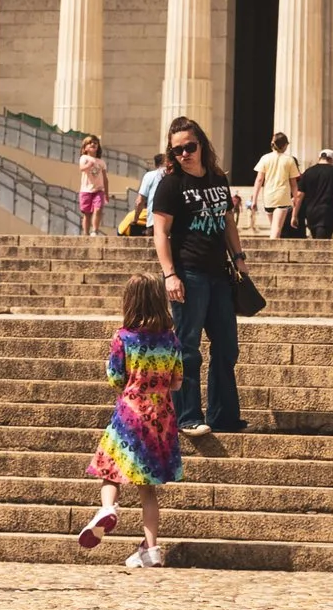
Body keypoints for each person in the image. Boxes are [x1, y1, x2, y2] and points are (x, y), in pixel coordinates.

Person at [75, 273, 182, 569]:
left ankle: (108, 508)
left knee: (110, 471)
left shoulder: (123, 337)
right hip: (160, 419)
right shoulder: (171, 339)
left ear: (130, 302)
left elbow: (115, 378)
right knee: (147, 489)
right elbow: (176, 381)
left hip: (130, 415)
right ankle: (152, 550)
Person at [149, 115, 245, 437]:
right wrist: (169, 275)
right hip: (188, 274)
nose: (184, 154)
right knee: (188, 347)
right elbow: (160, 233)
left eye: (190, 147)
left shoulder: (217, 178)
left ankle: (224, 416)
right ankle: (188, 416)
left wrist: (239, 258)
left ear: (201, 144)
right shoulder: (170, 184)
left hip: (219, 274)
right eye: (177, 150)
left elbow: (228, 221)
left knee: (227, 346)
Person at [252, 132, 300, 241]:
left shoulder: (265, 158)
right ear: (284, 145)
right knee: (277, 229)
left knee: (274, 227)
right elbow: (293, 183)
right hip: (282, 197)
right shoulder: (289, 160)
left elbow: (259, 179)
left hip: (268, 197)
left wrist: (254, 199)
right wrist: (296, 198)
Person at [294, 149, 333, 240]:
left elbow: (299, 195)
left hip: (311, 213)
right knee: (322, 243)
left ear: (319, 158)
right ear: (332, 159)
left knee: (315, 240)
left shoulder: (308, 172)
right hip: (328, 212)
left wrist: (294, 215)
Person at [77, 136, 109, 236]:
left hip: (99, 190)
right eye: (90, 143)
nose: (93, 144)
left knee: (98, 209)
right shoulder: (84, 158)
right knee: (87, 213)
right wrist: (88, 165)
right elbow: (82, 168)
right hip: (86, 190)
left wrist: (106, 193)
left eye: (95, 143)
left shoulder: (101, 162)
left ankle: (95, 230)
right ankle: (86, 233)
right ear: (85, 148)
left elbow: (105, 178)